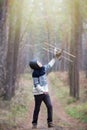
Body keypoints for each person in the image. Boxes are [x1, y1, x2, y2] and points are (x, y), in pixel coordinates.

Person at [29, 49, 62, 129]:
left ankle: (50, 122)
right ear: (35, 65)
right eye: (38, 62)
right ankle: (34, 123)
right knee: (37, 108)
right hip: (38, 94)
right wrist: (43, 91)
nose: (40, 63)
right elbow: (36, 85)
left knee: (50, 106)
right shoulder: (35, 73)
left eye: (39, 61)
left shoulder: (43, 69)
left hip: (45, 93)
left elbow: (50, 65)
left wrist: (55, 57)